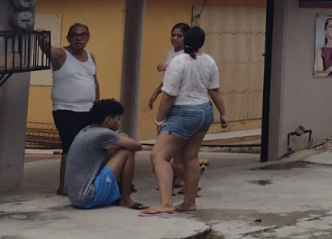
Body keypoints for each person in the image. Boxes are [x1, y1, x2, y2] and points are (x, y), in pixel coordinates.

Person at [141, 26, 228, 216]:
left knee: (158, 156)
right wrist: (223, 113)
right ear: (202, 42)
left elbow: (169, 95)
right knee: (190, 157)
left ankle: (165, 203)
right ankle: (189, 202)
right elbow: (215, 90)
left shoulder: (177, 62)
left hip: (183, 112)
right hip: (204, 111)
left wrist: (159, 120)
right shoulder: (209, 61)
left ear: (185, 40)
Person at [38, 23, 100, 196]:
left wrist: (97, 105)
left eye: (82, 34)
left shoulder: (90, 56)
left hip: (87, 109)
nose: (78, 38)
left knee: (88, 147)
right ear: (68, 38)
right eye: (74, 35)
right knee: (70, 146)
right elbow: (47, 49)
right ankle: (63, 186)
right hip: (66, 109)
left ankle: (83, 181)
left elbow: (94, 80)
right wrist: (41, 38)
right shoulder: (61, 54)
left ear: (88, 37)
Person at [64, 98, 143, 210]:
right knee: (127, 151)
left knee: (116, 149)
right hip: (87, 197)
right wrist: (123, 138)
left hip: (75, 197)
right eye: (118, 119)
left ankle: (119, 191)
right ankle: (125, 200)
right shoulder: (104, 133)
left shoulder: (87, 130)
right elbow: (137, 146)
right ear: (108, 120)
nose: (120, 123)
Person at [149, 22, 190, 191]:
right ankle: (173, 176)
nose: (175, 38)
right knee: (171, 145)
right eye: (173, 35)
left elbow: (180, 73)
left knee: (177, 144)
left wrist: (169, 66)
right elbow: (168, 79)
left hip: (180, 103)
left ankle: (186, 179)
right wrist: (156, 93)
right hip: (168, 99)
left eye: (179, 36)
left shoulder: (186, 55)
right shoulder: (170, 53)